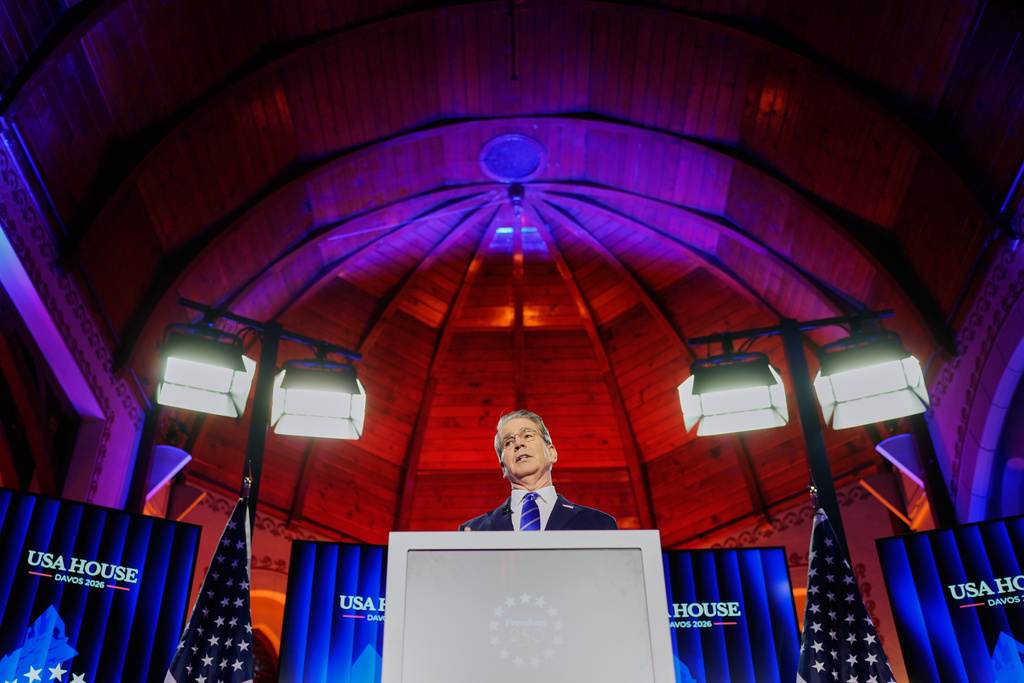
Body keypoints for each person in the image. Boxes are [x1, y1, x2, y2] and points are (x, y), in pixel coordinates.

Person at [458, 409, 618, 531]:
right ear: (503, 468)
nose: (518, 444)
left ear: (552, 453)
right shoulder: (475, 531)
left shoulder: (598, 524)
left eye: (527, 436)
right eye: (508, 442)